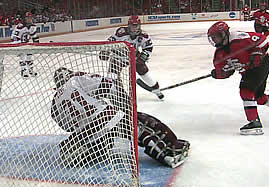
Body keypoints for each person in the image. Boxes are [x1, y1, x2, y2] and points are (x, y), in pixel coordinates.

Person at [51, 67, 190, 168]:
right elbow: (108, 86)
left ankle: (88, 151)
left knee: (103, 143)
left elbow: (67, 127)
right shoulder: (76, 79)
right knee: (142, 124)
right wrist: (125, 104)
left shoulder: (55, 103)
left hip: (89, 135)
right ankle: (168, 154)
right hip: (107, 119)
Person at [207, 21, 269, 135]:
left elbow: (263, 40)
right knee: (258, 98)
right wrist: (219, 74)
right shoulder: (219, 55)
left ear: (224, 34)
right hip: (249, 72)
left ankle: (254, 123)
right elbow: (226, 72)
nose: (215, 40)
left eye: (216, 36)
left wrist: (257, 53)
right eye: (213, 38)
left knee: (246, 90)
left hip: (262, 64)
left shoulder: (239, 38)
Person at [105, 15, 164, 100]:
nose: (134, 28)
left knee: (142, 69)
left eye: (136, 25)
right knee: (112, 74)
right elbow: (110, 41)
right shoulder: (121, 32)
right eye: (132, 25)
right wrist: (105, 50)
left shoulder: (143, 35)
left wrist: (143, 57)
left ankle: (156, 89)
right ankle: (107, 91)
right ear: (128, 25)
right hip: (118, 56)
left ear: (139, 26)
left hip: (133, 57)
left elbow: (148, 47)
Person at [11, 12, 39, 78]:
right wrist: (18, 43)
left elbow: (34, 36)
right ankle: (23, 71)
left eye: (30, 18)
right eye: (28, 18)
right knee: (22, 56)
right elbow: (14, 36)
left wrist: (37, 43)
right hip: (19, 43)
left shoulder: (32, 26)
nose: (29, 19)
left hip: (26, 43)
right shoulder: (20, 26)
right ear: (25, 18)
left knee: (29, 55)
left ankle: (30, 70)